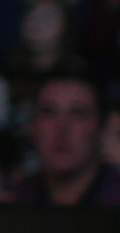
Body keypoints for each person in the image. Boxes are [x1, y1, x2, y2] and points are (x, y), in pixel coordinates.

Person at [12, 67, 120, 206]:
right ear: (32, 126)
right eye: (49, 112)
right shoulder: (13, 200)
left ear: (102, 128)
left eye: (77, 114)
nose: (62, 127)